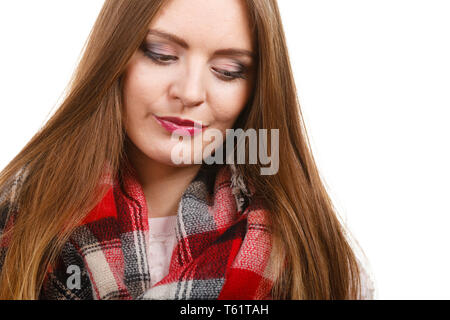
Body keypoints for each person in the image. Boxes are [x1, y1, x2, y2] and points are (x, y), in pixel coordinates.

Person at [0, 0, 375, 300]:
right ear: (115, 56)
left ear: (255, 86)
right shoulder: (18, 220)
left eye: (228, 70)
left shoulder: (312, 252)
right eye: (161, 53)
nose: (191, 92)